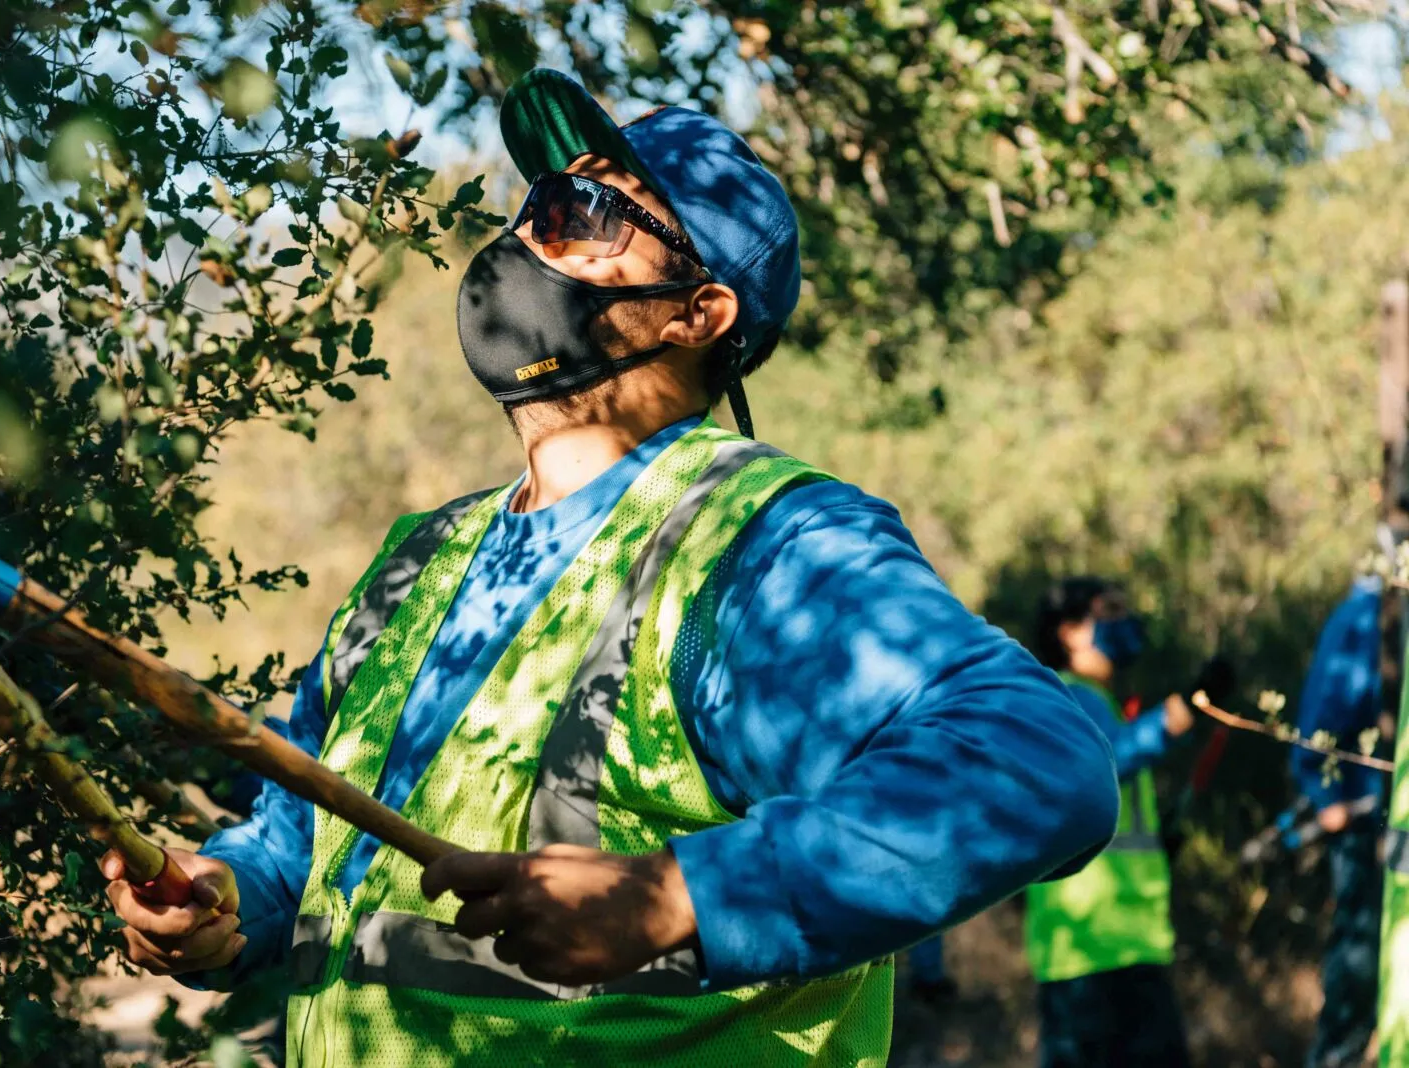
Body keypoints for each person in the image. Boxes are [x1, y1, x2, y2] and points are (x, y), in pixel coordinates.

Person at [100, 67, 1121, 1066]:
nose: (529, 231)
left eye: (587, 212)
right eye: (538, 201)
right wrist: (225, 902)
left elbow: (1037, 762)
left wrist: (676, 897)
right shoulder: (418, 560)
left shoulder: (756, 546)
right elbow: (298, 842)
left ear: (696, 312)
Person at [1024, 576, 1217, 1068]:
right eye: (1109, 611)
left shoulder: (1095, 700)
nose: (1124, 622)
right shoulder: (1068, 697)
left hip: (1116, 944)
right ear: (1068, 630)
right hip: (1095, 946)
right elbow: (1111, 761)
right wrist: (1182, 711)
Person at [1289, 574, 1388, 1068]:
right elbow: (1319, 727)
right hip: (1369, 828)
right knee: (1360, 964)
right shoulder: (1367, 616)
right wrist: (1330, 798)